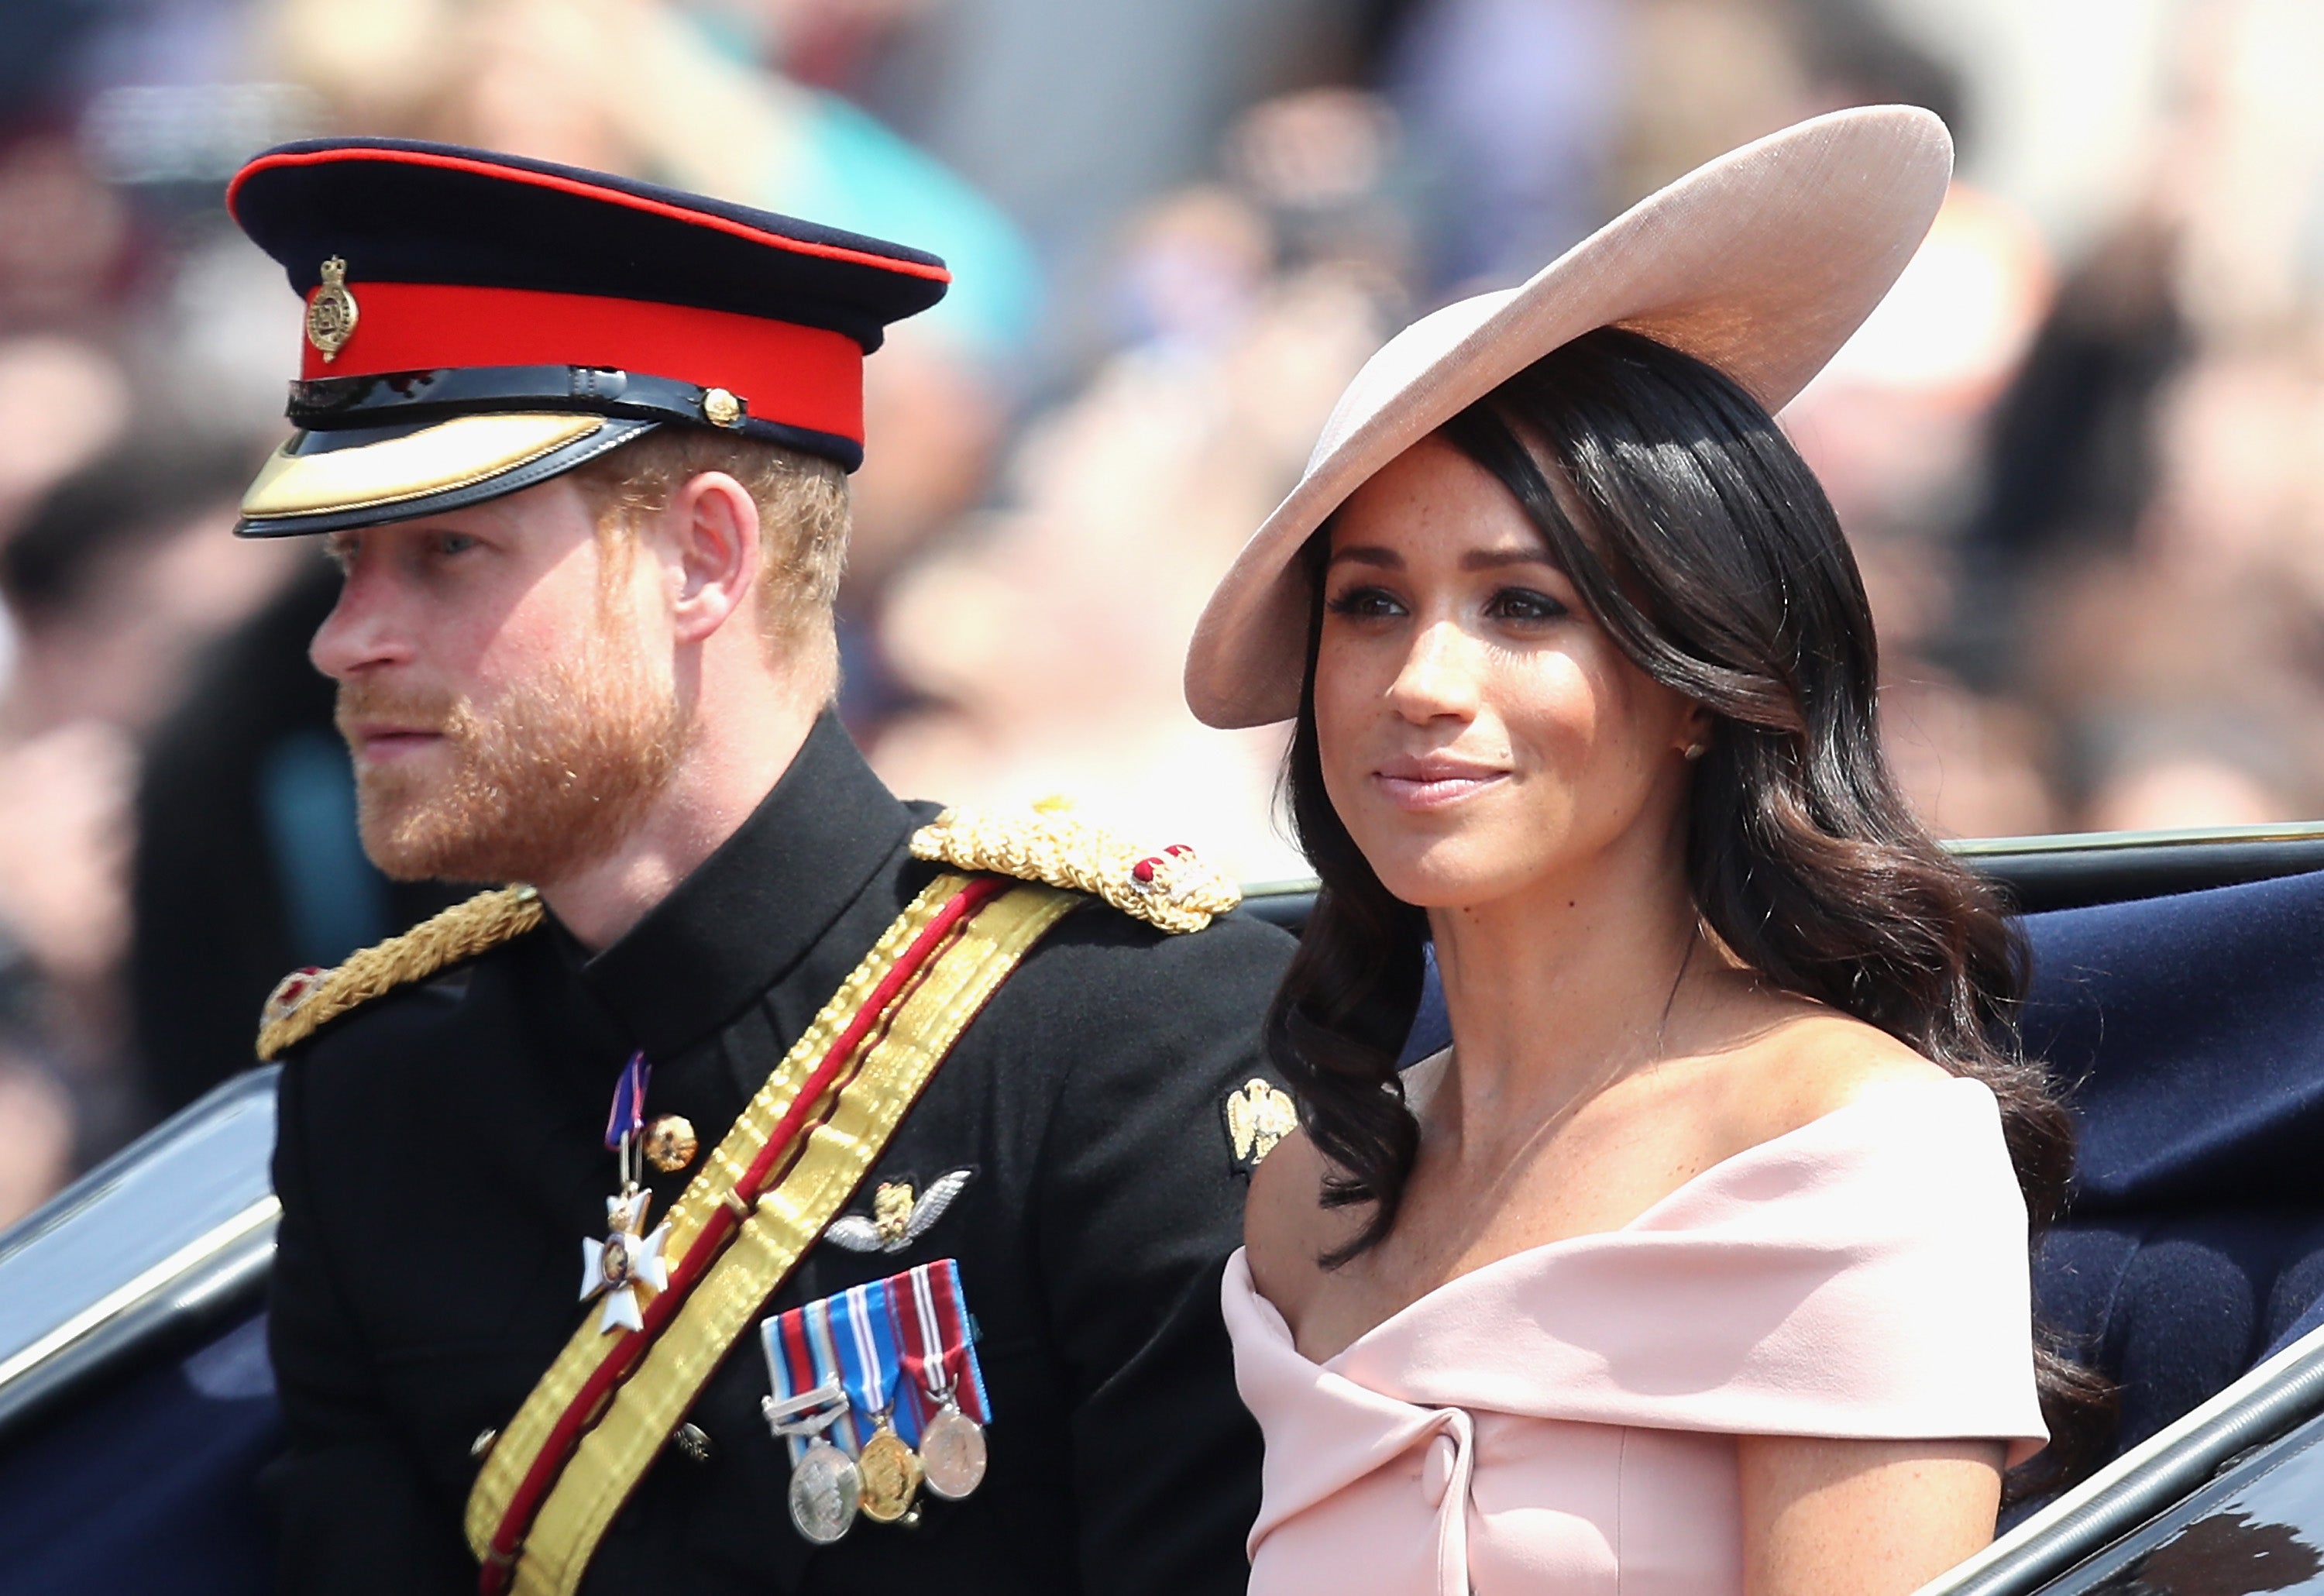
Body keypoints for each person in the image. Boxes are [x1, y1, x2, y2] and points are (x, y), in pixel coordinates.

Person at [224, 139, 1295, 1595]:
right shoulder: (379, 1093)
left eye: (445, 552)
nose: (346, 641)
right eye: (348, 566)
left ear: (704, 561)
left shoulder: (1133, 1035)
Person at [1182, 108, 2089, 1595]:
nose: (1421, 681)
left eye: (1523, 606)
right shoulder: (1304, 1203)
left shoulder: (1846, 1149)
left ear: (1695, 684)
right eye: (1369, 604)